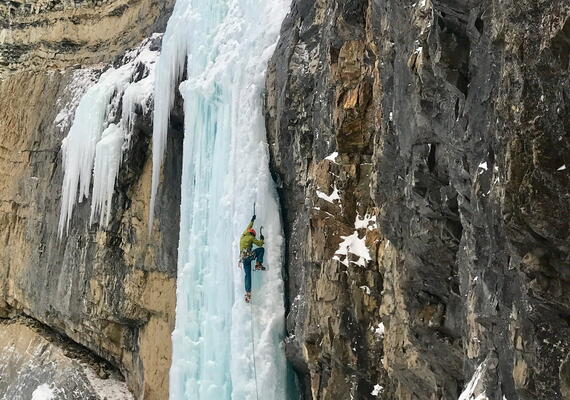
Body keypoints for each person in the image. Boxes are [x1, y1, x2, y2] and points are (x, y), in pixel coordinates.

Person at [239, 214, 265, 303]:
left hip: (243, 259)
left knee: (248, 275)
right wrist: (262, 239)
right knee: (261, 250)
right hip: (248, 256)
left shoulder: (243, 235)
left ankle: (248, 293)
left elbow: (249, 227)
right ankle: (258, 264)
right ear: (253, 234)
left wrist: (252, 220)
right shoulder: (251, 237)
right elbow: (260, 244)